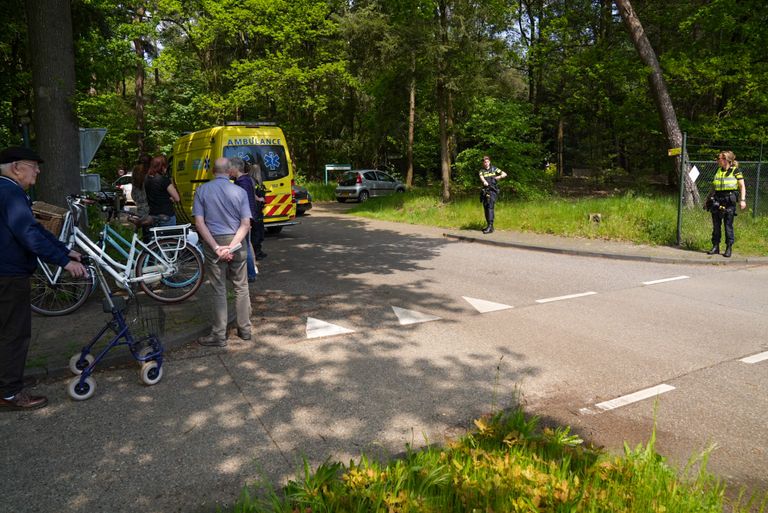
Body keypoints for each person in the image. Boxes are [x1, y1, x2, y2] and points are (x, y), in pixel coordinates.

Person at [0, 146, 87, 411]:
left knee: (7, 331)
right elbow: (29, 234)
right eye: (33, 165)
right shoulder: (10, 193)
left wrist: (64, 250)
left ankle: (8, 381)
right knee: (14, 333)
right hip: (8, 275)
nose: (37, 170)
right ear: (16, 167)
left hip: (7, 272)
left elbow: (34, 229)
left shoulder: (9, 191)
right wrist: (64, 262)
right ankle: (10, 393)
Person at [193, 157, 252, 347]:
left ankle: (219, 335)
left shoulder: (201, 191)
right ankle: (245, 330)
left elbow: (199, 223)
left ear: (212, 171)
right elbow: (246, 224)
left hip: (213, 244)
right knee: (241, 287)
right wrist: (232, 246)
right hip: (236, 242)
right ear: (230, 171)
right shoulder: (240, 192)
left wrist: (217, 247)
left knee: (218, 288)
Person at [705, 150, 747, 258]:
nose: (718, 160)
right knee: (716, 225)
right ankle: (715, 246)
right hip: (717, 200)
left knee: (728, 225)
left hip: (729, 200)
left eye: (719, 158)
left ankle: (729, 247)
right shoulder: (718, 170)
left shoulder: (735, 171)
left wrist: (742, 200)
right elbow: (714, 187)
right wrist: (707, 200)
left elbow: (742, 186)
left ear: (726, 160)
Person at [228, 158, 260, 282]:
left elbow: (247, 202)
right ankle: (250, 273)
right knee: (246, 246)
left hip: (244, 219)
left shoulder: (243, 182)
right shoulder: (243, 180)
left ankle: (250, 274)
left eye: (230, 168)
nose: (229, 170)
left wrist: (248, 220)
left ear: (236, 168)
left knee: (244, 248)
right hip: (246, 218)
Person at [145, 155, 180, 228]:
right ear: (162, 167)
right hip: (166, 216)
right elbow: (177, 198)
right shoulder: (163, 180)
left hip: (153, 215)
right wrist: (171, 198)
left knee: (155, 238)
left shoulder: (147, 179)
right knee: (168, 238)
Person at [479, 155, 507, 234]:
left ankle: (490, 226)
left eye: (487, 161)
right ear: (483, 163)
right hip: (485, 191)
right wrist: (484, 181)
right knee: (486, 208)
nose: (486, 163)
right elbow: (482, 177)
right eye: (484, 162)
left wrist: (499, 177)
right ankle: (489, 226)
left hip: (492, 191)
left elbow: (505, 174)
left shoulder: (494, 169)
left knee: (490, 208)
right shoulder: (481, 171)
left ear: (489, 162)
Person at [248, 160, 267, 260]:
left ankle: (258, 251)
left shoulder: (257, 181)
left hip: (259, 210)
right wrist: (259, 199)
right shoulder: (251, 181)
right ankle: (256, 252)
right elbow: (251, 193)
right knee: (256, 232)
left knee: (260, 231)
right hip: (255, 210)